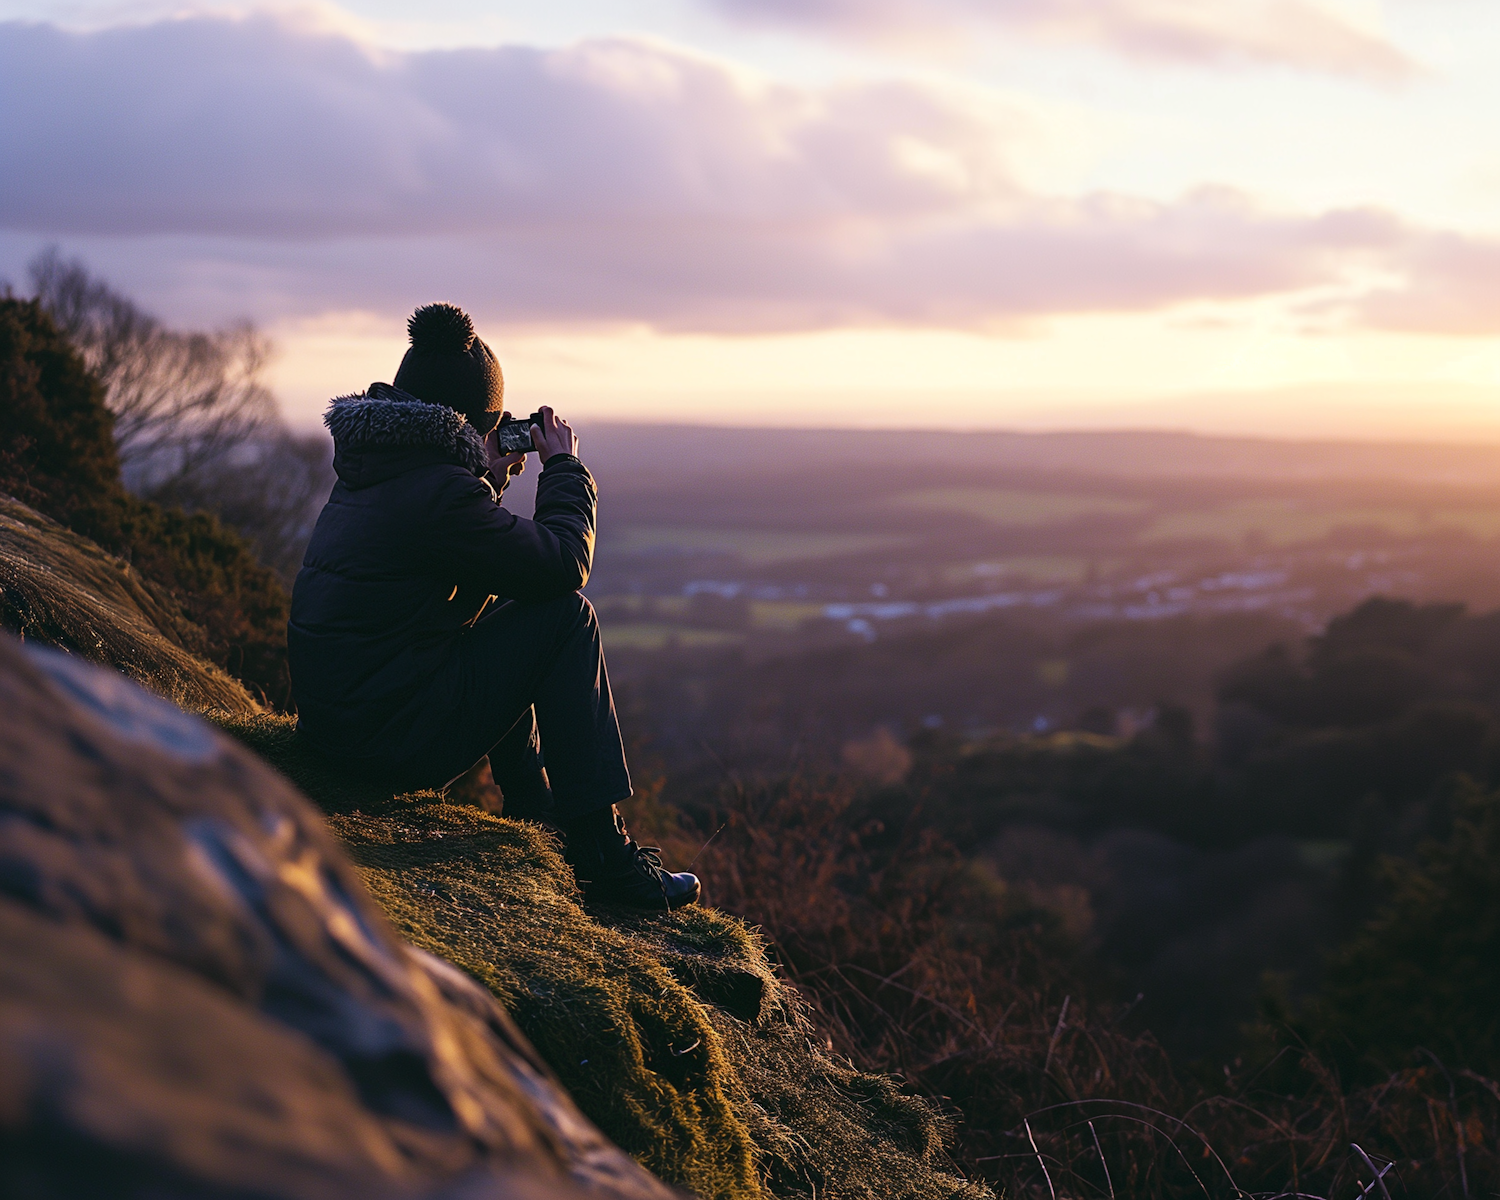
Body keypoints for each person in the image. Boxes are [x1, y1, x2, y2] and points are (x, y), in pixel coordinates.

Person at [287, 302, 700, 910]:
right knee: (566, 617)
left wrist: (484, 480)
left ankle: (537, 811)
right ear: (470, 425)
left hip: (343, 727)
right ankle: (604, 861)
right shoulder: (438, 495)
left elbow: (466, 554)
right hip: (383, 746)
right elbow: (563, 565)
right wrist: (563, 467)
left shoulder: (377, 471)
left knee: (513, 610)